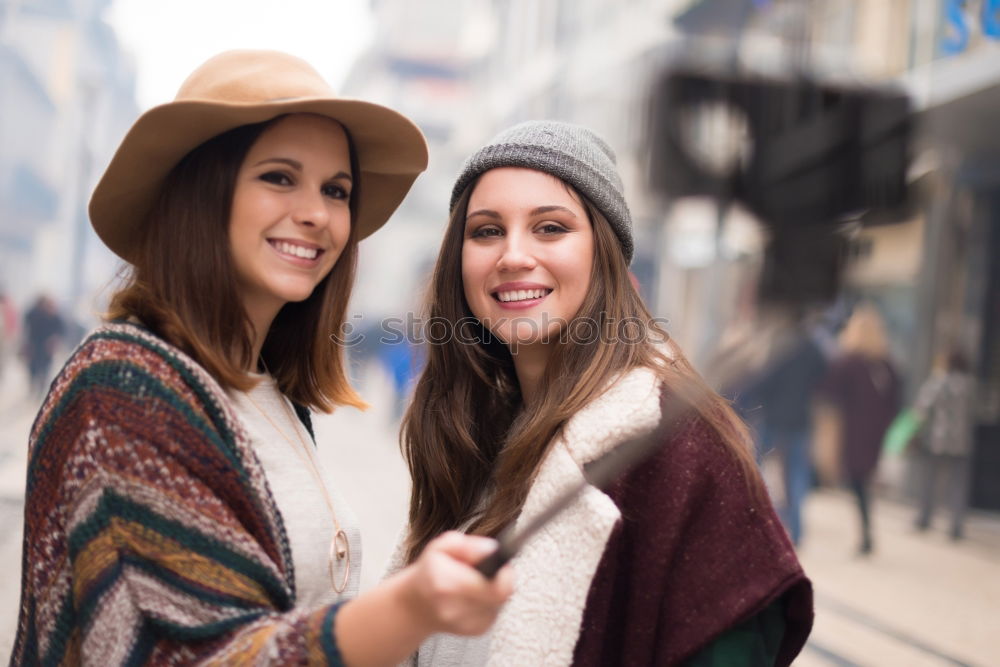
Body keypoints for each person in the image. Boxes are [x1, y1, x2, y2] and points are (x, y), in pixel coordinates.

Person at [11, 50, 511, 665]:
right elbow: (208, 653)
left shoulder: (270, 391)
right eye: (279, 177)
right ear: (205, 191)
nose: (317, 214)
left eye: (337, 190)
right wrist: (407, 610)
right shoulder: (123, 386)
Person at [390, 121, 813, 666]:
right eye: (486, 231)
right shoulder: (472, 437)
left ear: (603, 255)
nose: (513, 255)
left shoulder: (680, 449)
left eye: (549, 228)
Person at [816, 304, 901, 555]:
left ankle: (866, 535)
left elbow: (828, 393)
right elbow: (896, 400)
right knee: (861, 479)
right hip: (875, 431)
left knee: (857, 480)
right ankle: (866, 533)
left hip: (851, 430)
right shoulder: (887, 364)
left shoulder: (848, 362)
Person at [912, 347, 975, 540]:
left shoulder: (939, 382)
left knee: (930, 481)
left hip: (938, 439)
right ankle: (956, 526)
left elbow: (922, 407)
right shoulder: (970, 385)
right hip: (961, 441)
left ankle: (925, 517)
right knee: (958, 485)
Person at [21, 294, 65, 399]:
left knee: (46, 368)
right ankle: (33, 387)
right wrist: (26, 344)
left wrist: (55, 340)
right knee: (33, 368)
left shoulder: (54, 314)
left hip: (47, 347)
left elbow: (60, 330)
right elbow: (26, 330)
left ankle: (41, 389)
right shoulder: (32, 314)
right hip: (34, 345)